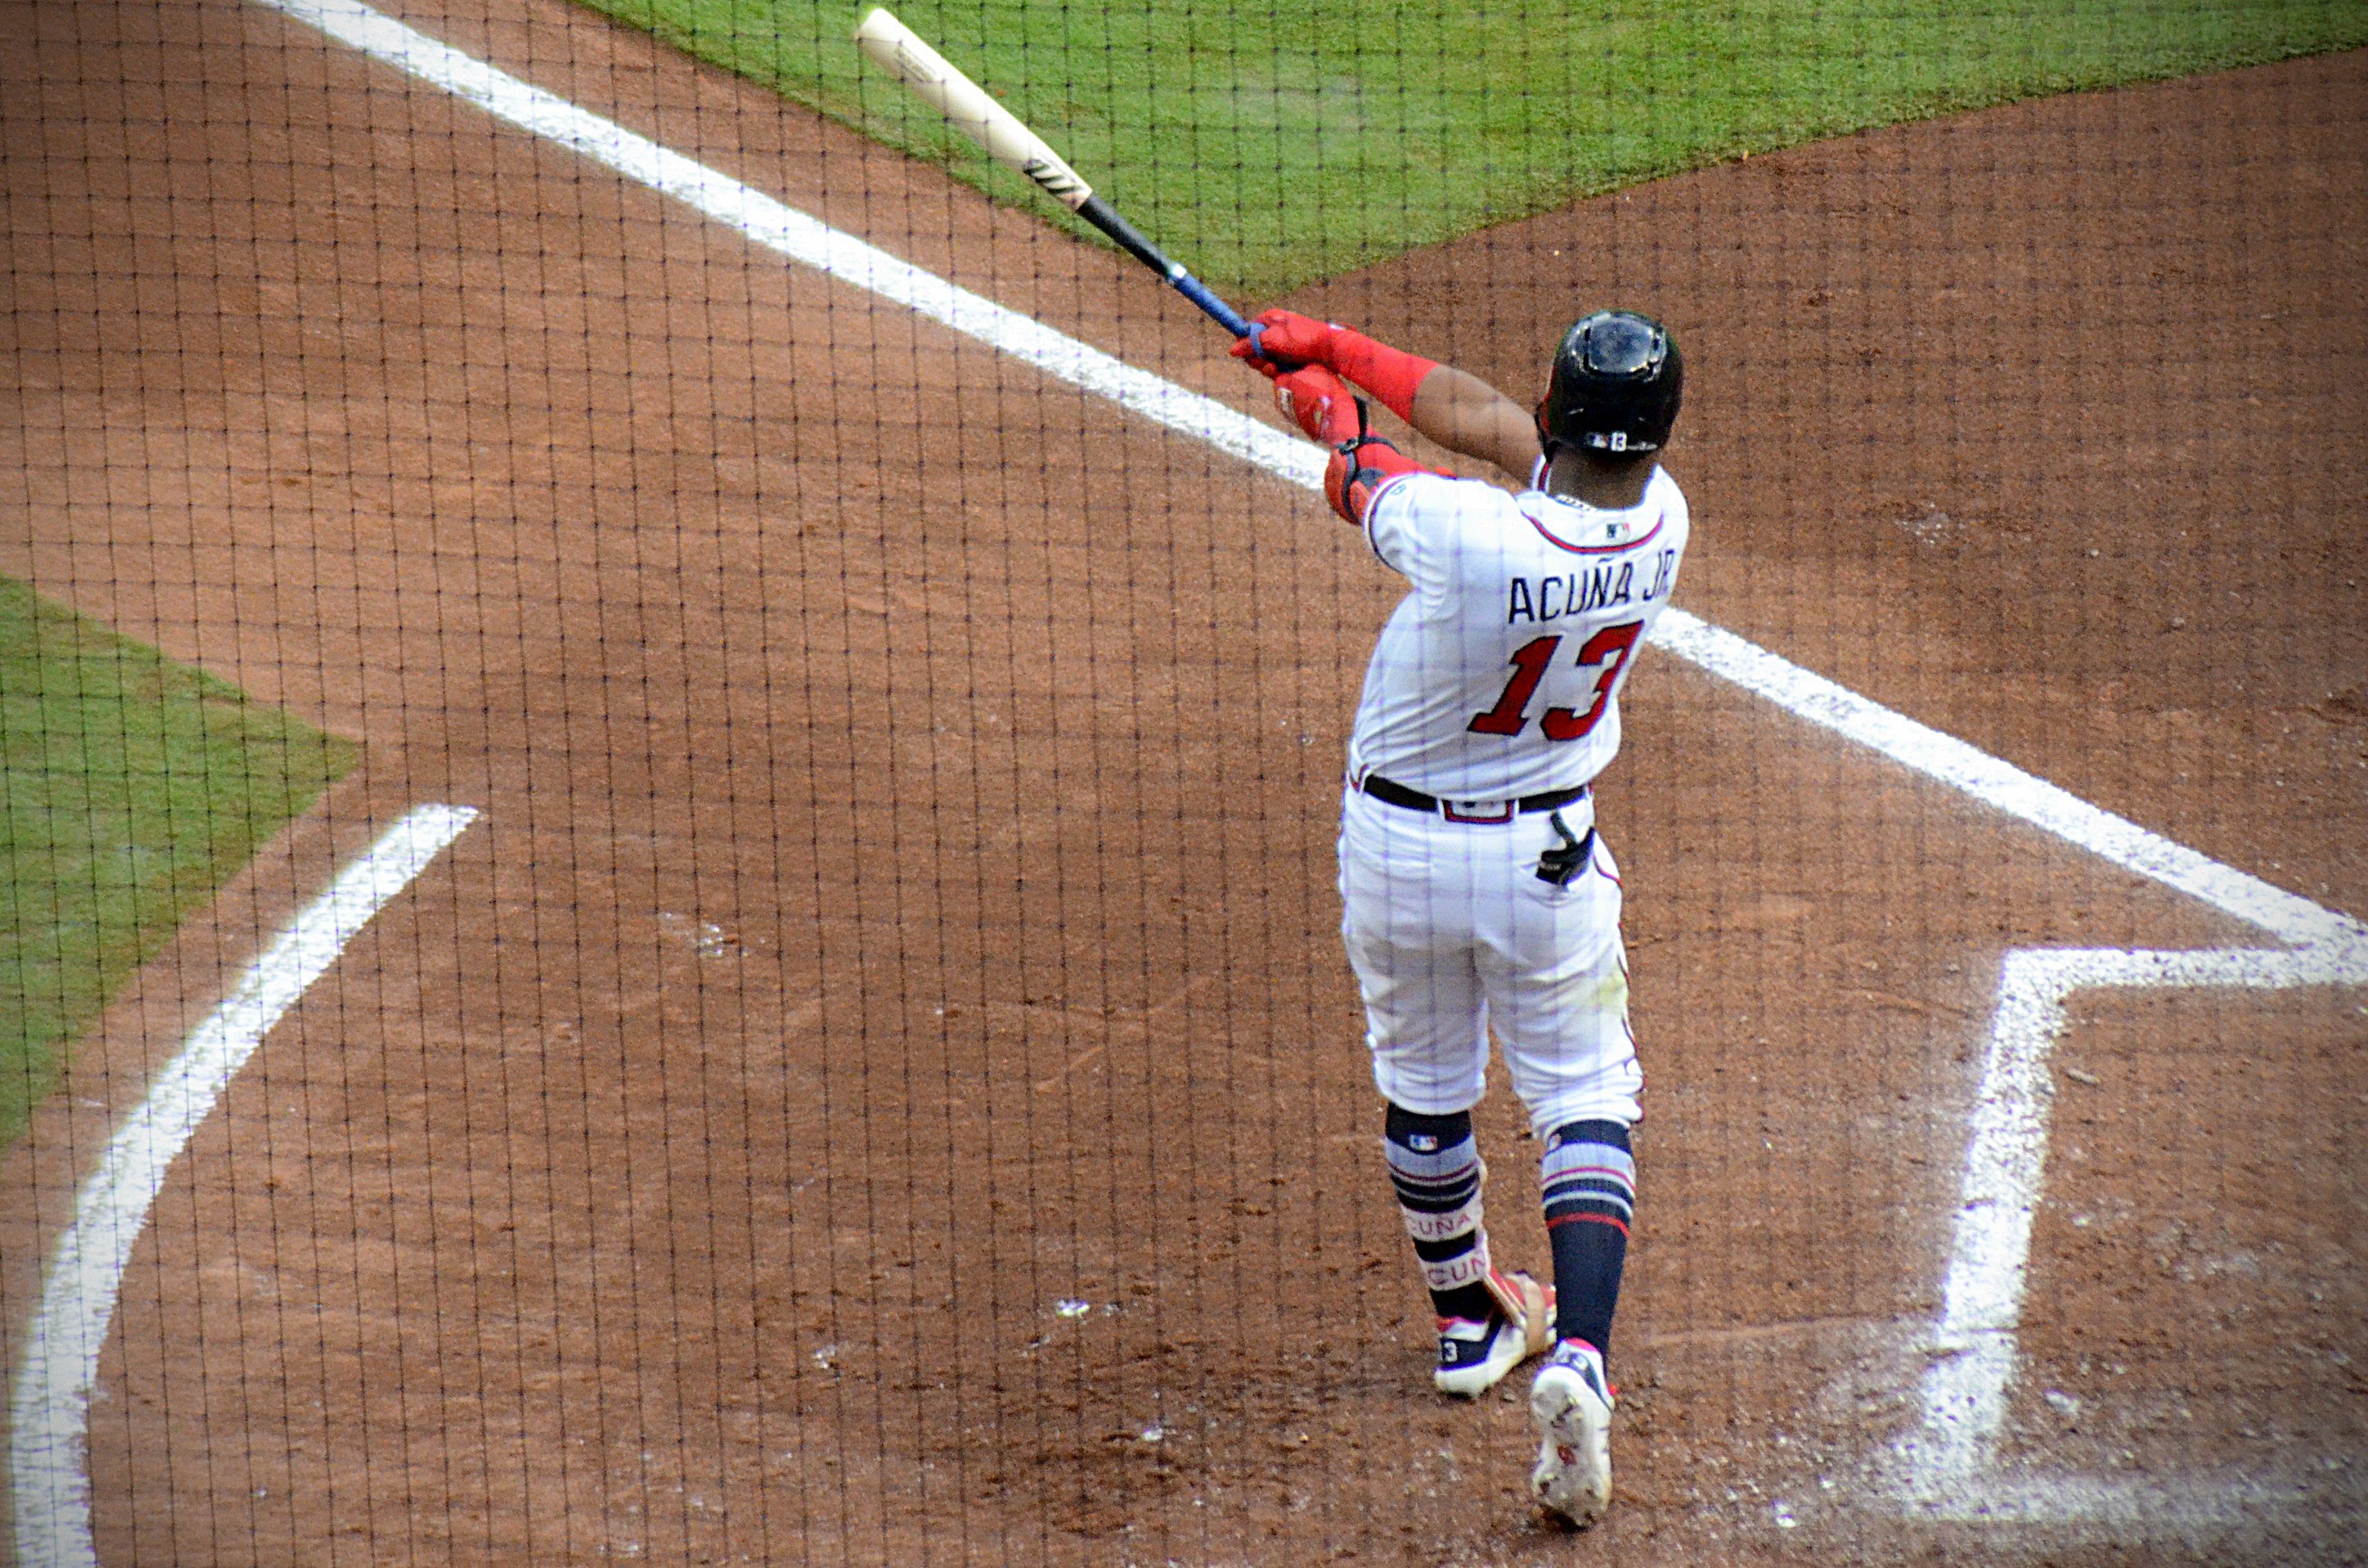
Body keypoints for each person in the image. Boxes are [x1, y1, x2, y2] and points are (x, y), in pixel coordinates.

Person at [1234, 305, 1687, 1525]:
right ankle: (1578, 1353)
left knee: (1424, 1078)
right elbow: (1473, 422)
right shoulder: (1659, 519)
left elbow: (1360, 472)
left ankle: (1463, 1322)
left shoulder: (1467, 535)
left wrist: (1321, 403)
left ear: (1554, 414)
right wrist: (1334, 348)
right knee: (1585, 1090)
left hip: (1398, 852)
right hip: (1544, 858)